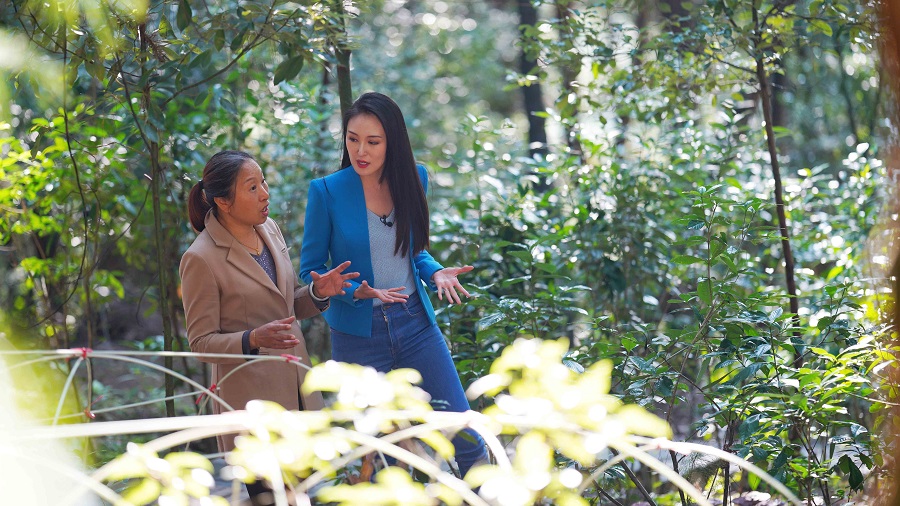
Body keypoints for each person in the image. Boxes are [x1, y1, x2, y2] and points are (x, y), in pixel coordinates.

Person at [299, 92, 488, 477]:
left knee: (464, 436)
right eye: (353, 139)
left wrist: (435, 272)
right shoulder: (326, 191)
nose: (360, 150)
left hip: (415, 324)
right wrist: (353, 291)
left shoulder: (414, 178)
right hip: (358, 336)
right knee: (384, 459)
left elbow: (414, 251)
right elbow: (312, 270)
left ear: (393, 141)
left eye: (373, 141)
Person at [180, 150, 359, 504]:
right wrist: (252, 339)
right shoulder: (200, 258)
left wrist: (318, 293)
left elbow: (286, 304)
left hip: (299, 391)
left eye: (262, 182)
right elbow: (200, 343)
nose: (265, 193)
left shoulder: (269, 228)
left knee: (303, 495)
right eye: (252, 187)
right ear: (223, 201)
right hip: (252, 406)